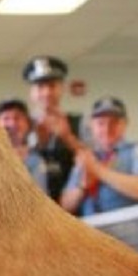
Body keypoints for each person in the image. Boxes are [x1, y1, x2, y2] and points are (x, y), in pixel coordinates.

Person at [59, 96, 138, 216]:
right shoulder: (86, 158)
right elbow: (65, 206)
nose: (106, 129)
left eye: (114, 123)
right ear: (92, 126)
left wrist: (98, 170)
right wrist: (82, 186)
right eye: (100, 123)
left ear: (125, 124)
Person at [22, 55, 83, 204]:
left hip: (74, 208)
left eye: (52, 86)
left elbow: (93, 161)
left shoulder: (79, 122)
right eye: (40, 87)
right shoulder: (21, 126)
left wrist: (68, 138)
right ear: (32, 93)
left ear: (61, 89)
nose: (47, 93)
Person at [0, 98, 48, 194]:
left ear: (28, 124)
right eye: (6, 118)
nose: (12, 124)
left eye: (17, 118)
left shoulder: (37, 158)